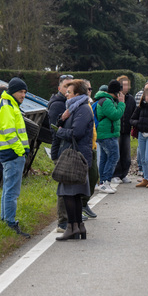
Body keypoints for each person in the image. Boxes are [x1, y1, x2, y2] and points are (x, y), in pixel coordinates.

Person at [51, 79, 94, 241]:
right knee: (73, 193)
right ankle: (78, 226)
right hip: (74, 154)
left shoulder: (82, 109)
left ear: (78, 94)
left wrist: (59, 131)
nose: (66, 94)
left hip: (76, 157)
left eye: (69, 92)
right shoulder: (74, 108)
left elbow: (76, 133)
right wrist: (62, 119)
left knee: (69, 193)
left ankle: (72, 227)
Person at [0, 77, 31, 238]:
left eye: (25, 92)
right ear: (12, 92)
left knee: (8, 189)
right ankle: (10, 222)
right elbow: (10, 133)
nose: (23, 95)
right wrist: (20, 151)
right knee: (12, 191)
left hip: (9, 152)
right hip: (13, 153)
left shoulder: (8, 104)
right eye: (20, 92)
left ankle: (6, 220)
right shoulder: (8, 106)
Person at [50, 75, 74, 232]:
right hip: (60, 150)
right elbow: (55, 130)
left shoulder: (68, 104)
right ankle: (62, 222)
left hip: (66, 149)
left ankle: (69, 218)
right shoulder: (57, 105)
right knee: (64, 185)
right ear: (59, 88)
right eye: (66, 87)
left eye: (71, 87)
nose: (67, 90)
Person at [94, 79, 126, 194]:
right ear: (117, 92)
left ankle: (102, 182)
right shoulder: (107, 101)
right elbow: (115, 115)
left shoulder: (106, 100)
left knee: (104, 158)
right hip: (107, 134)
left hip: (105, 134)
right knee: (113, 157)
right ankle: (105, 182)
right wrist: (122, 103)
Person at [111, 75, 136, 185]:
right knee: (117, 153)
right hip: (116, 130)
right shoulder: (114, 99)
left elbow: (134, 113)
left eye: (127, 85)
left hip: (126, 130)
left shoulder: (131, 99)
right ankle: (115, 174)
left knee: (126, 154)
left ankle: (124, 174)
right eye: (123, 85)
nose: (125, 87)